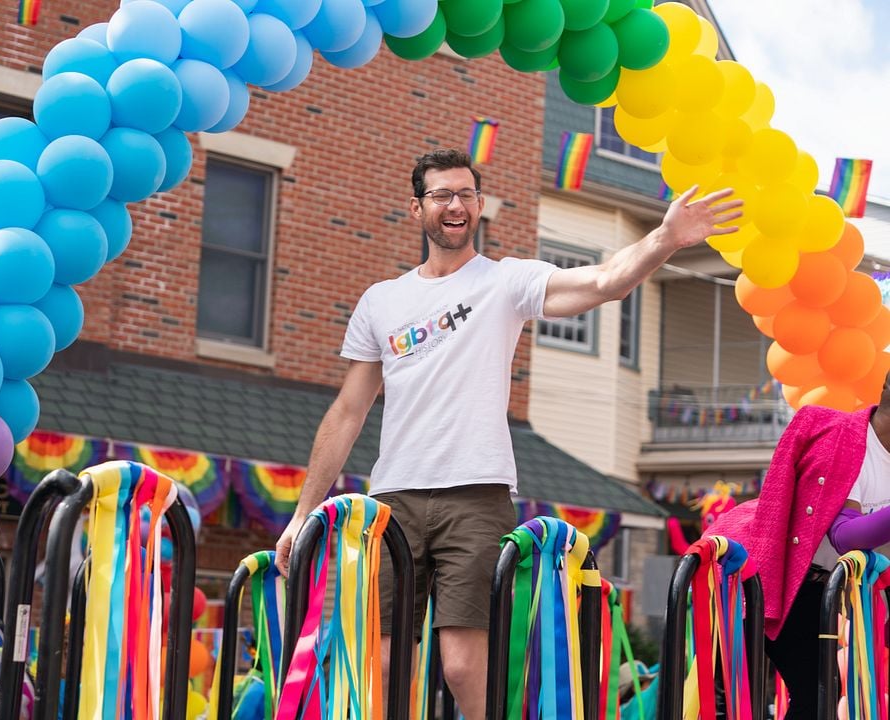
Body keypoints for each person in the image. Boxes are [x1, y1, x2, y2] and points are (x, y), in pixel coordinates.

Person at [274, 148, 741, 719]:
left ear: (478, 206)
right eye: (442, 194)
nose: (456, 205)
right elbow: (347, 411)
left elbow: (604, 281)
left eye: (467, 194)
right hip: (390, 501)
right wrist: (302, 515)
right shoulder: (382, 300)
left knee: (464, 667)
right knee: (382, 665)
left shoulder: (504, 282)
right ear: (417, 207)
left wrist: (665, 239)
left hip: (475, 494)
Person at [708, 369, 890, 720]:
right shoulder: (843, 438)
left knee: (823, 694)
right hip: (757, 572)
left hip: (817, 586)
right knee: (730, 696)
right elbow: (846, 535)